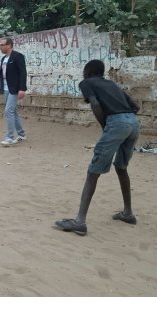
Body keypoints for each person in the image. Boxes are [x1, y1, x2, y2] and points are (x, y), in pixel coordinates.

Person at [55, 59, 140, 236]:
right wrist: (122, 120)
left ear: (88, 72)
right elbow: (135, 107)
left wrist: (106, 126)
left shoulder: (86, 82)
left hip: (116, 124)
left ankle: (79, 221)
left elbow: (94, 104)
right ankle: (128, 213)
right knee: (121, 168)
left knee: (93, 172)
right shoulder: (112, 84)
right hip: (133, 123)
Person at [0, 37, 28, 146]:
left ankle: (9, 138)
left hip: (15, 89)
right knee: (14, 112)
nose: (0, 47)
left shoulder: (18, 56)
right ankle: (21, 134)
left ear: (9, 45)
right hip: (6, 89)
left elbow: (23, 73)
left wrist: (22, 89)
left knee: (8, 111)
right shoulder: (4, 59)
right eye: (0, 45)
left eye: (2, 45)